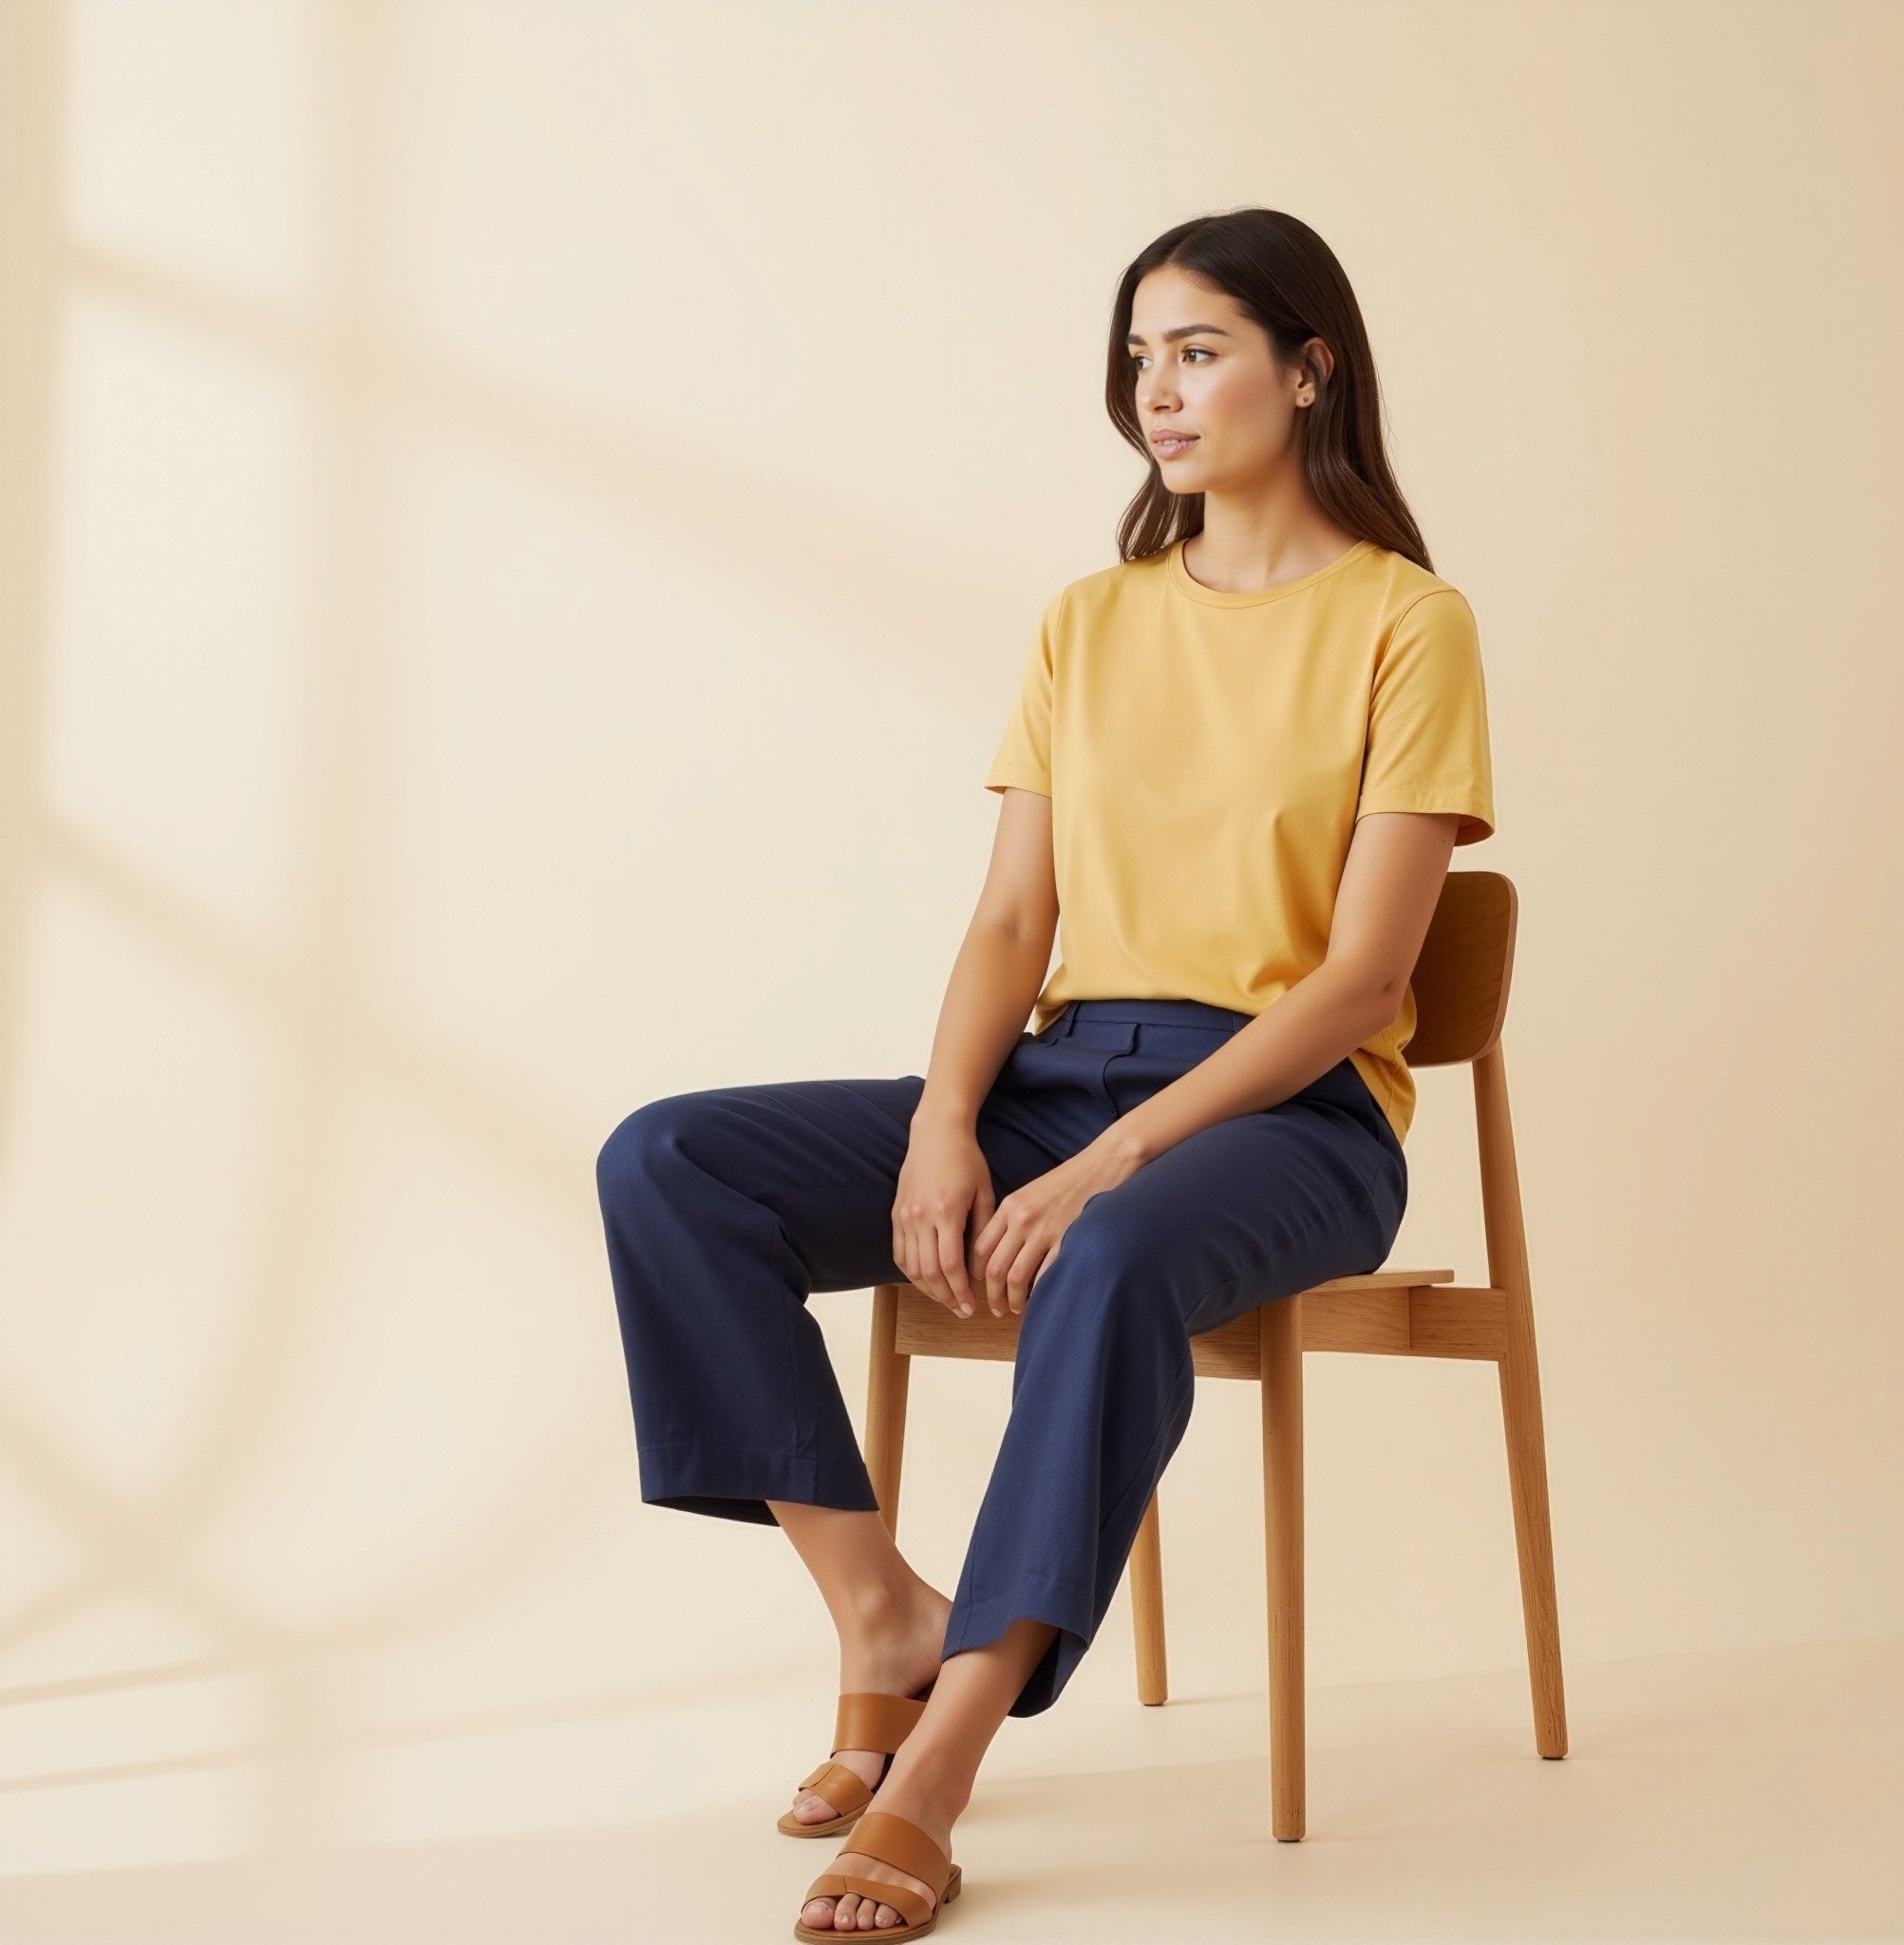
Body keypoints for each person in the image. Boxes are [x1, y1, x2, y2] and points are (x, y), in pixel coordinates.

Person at [594, 205, 1497, 1940]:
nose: (1158, 390)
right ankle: (878, 1613)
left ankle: (938, 1768)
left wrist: (1104, 1169)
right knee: (670, 1161)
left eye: (1202, 348)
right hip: (1055, 1075)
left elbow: (1365, 978)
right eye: (1141, 354)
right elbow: (1013, 921)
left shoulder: (1410, 623)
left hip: (1292, 1117)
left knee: (1110, 1247)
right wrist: (950, 1125)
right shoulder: (1090, 621)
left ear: (1309, 369)